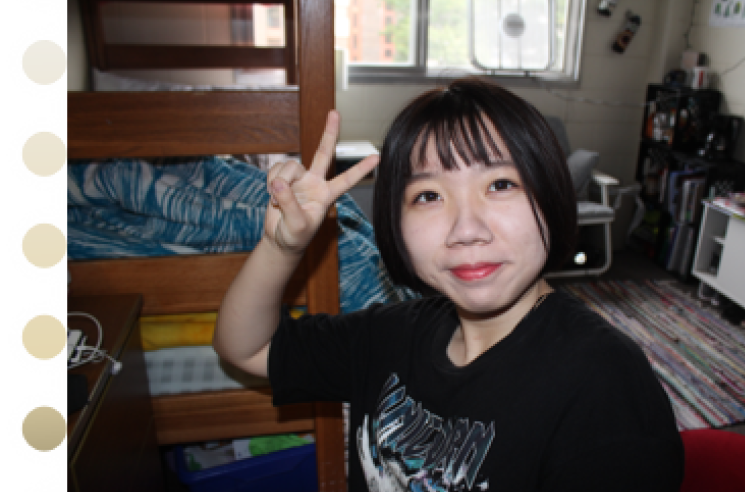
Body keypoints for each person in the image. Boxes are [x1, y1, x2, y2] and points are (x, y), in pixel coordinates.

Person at [214, 77, 684, 491]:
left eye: (500, 184)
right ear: (395, 223)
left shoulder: (606, 388)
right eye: (428, 195)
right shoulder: (388, 335)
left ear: (551, 194)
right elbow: (247, 349)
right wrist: (281, 249)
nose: (466, 229)